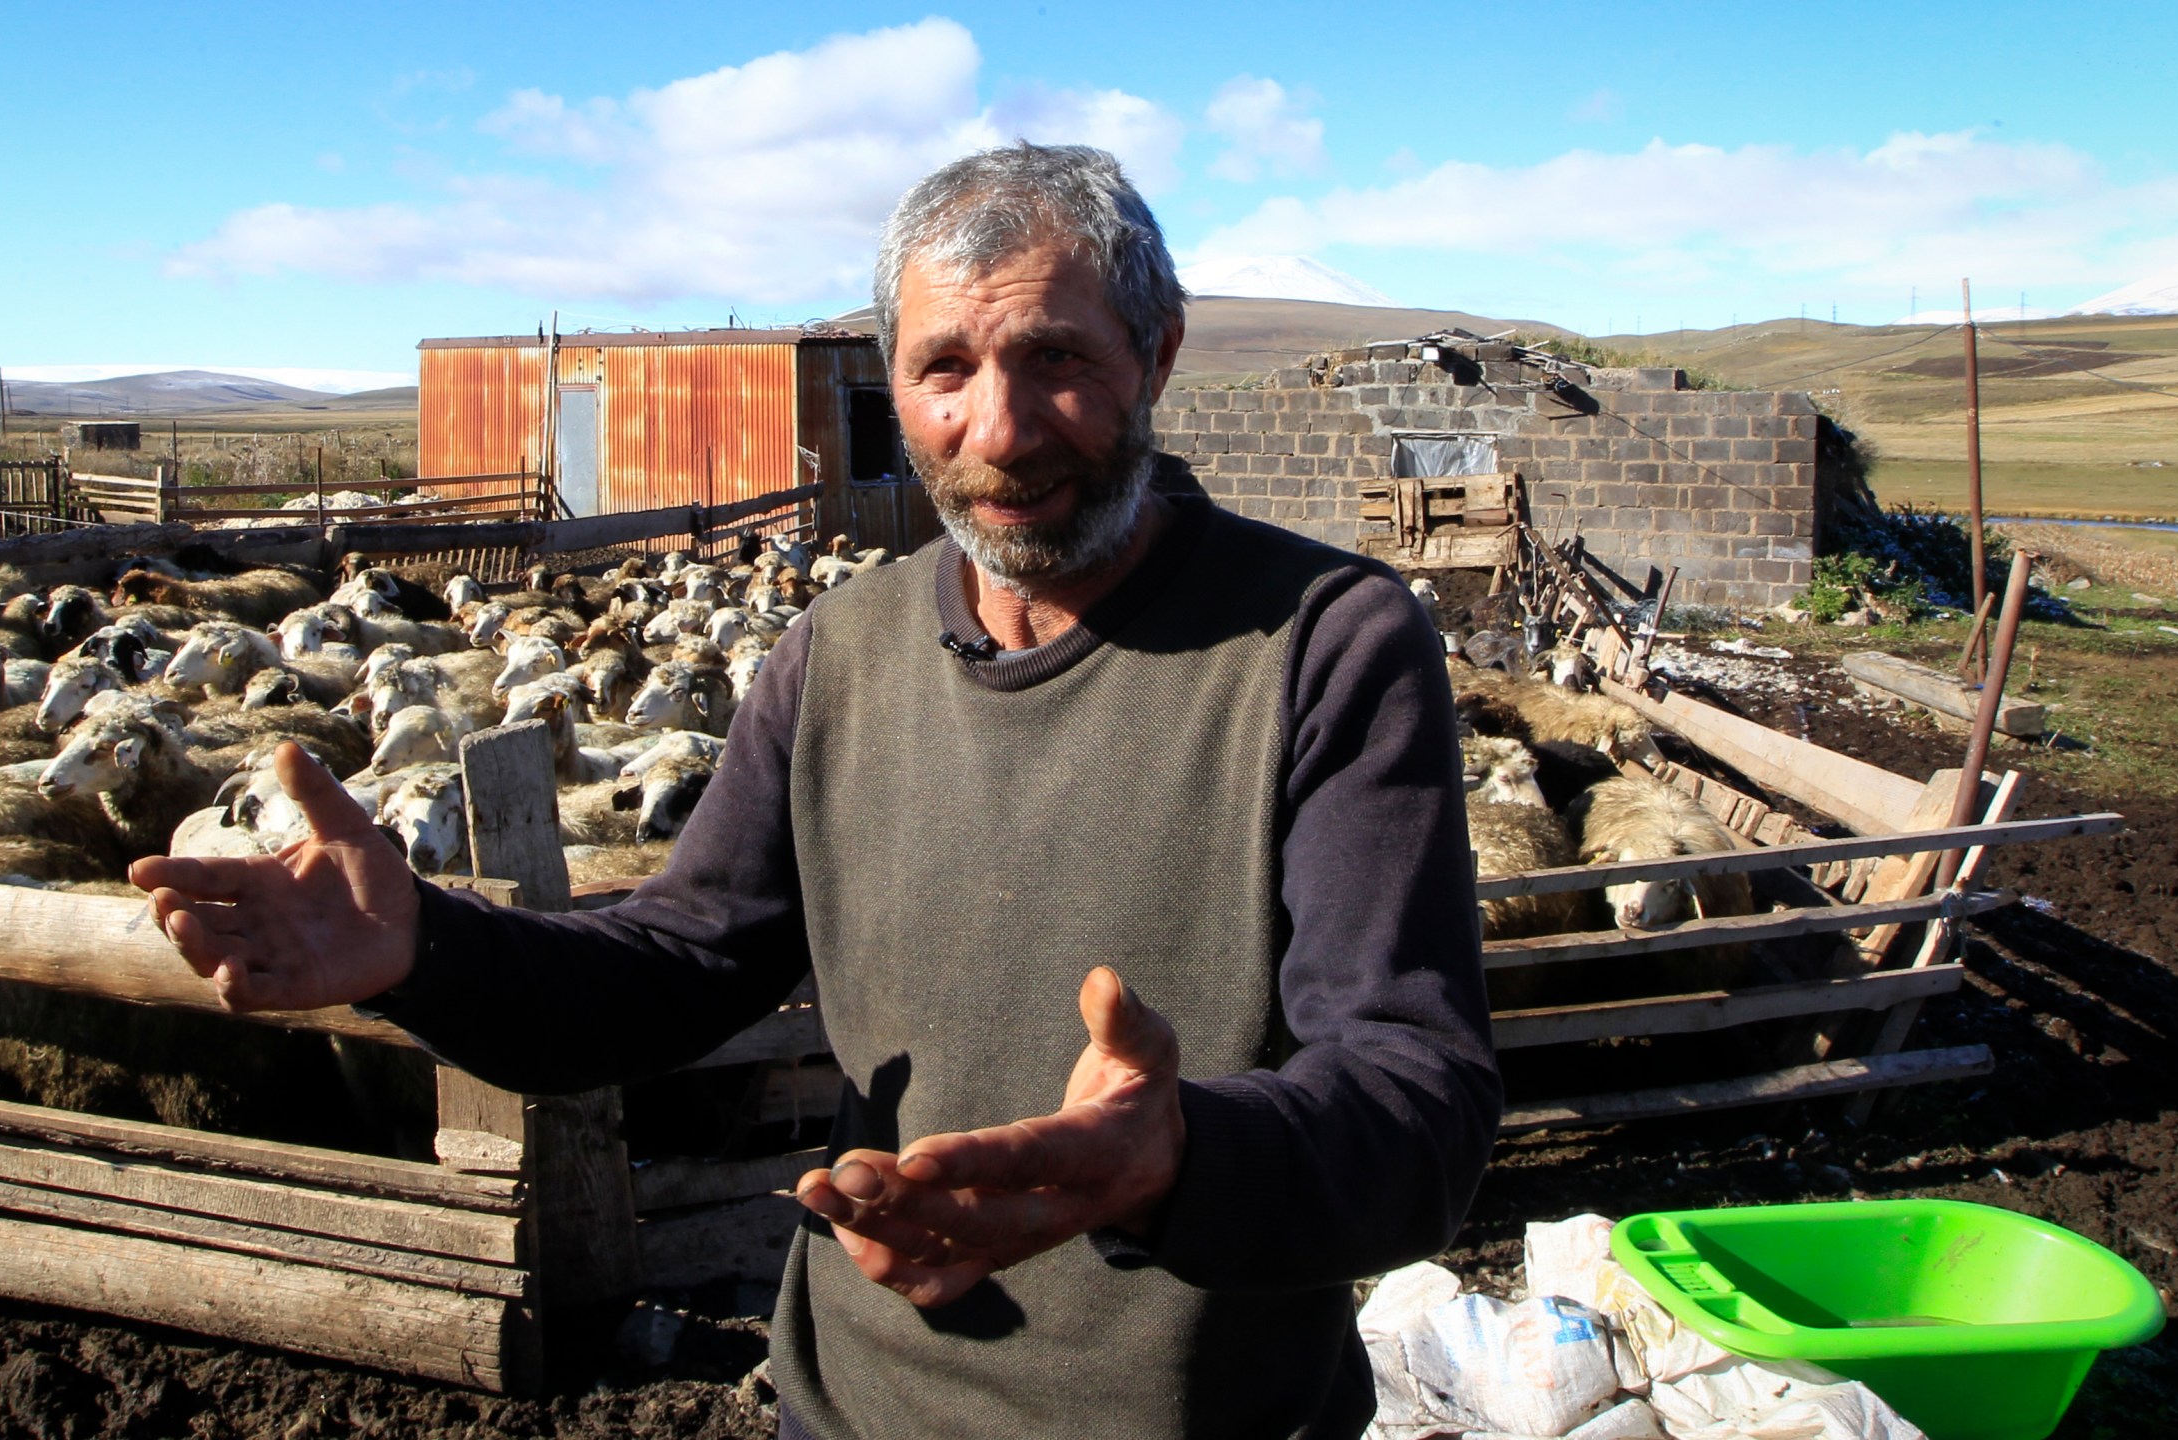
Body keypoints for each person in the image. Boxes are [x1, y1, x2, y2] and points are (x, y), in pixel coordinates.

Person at [131, 143, 1499, 1440]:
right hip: (849, 1406)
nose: (1000, 429)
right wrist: (423, 952)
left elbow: (1416, 1104)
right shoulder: (840, 657)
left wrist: (1177, 1155)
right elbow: (674, 964)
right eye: (943, 368)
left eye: (1058, 360)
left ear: (1159, 353)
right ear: (894, 381)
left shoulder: (1326, 643)